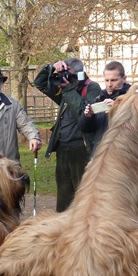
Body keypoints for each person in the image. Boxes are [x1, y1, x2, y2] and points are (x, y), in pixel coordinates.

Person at [34, 57, 101, 212]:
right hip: (63, 147)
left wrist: (69, 89)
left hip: (82, 148)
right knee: (64, 198)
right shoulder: (66, 88)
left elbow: (84, 112)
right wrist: (52, 67)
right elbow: (40, 83)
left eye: (66, 72)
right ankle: (62, 224)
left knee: (83, 194)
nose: (63, 77)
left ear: (78, 73)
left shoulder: (91, 87)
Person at [79, 61, 131, 156]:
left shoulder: (134, 99)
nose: (109, 84)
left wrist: (119, 109)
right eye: (107, 80)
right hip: (101, 155)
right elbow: (85, 129)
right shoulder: (98, 99)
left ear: (124, 79)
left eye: (114, 80)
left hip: (125, 155)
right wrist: (87, 117)